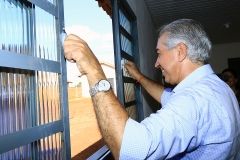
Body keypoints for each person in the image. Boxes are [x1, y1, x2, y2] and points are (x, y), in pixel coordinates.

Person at [63, 19, 240, 159]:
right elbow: (166, 96)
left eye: (159, 53)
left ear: (180, 51)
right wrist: (138, 76)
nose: (156, 63)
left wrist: (93, 69)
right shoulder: (217, 87)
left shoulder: (194, 100)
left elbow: (128, 149)